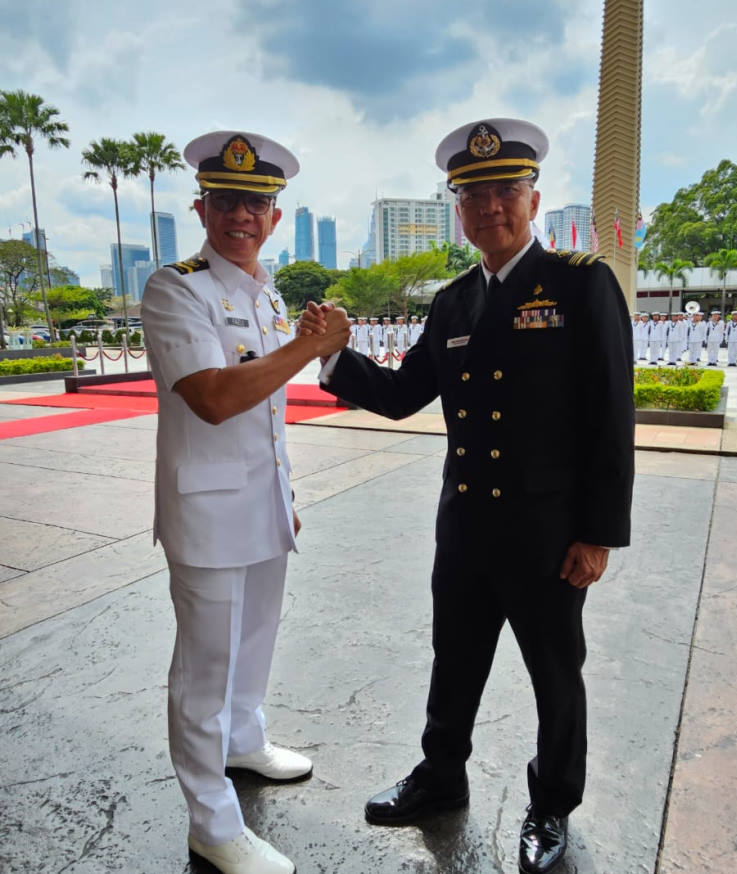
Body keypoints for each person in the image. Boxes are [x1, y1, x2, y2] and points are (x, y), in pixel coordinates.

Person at [301, 118, 634, 874]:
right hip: (466, 527)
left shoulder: (581, 284)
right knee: (454, 660)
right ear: (459, 208)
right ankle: (441, 776)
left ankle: (551, 805)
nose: (491, 208)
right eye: (475, 195)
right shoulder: (452, 302)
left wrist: (599, 534)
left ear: (534, 198)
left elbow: (611, 415)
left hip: (550, 534)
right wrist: (334, 358)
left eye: (505, 192)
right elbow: (401, 394)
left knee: (555, 672)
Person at [141, 129, 350, 874]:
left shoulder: (264, 292)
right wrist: (305, 346)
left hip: (261, 505)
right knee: (205, 669)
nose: (241, 216)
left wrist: (284, 491)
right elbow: (216, 399)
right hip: (205, 513)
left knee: (255, 639)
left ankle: (242, 741)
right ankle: (211, 820)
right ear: (202, 208)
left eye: (256, 204)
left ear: (275, 218)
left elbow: (269, 413)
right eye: (227, 201)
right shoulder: (177, 288)